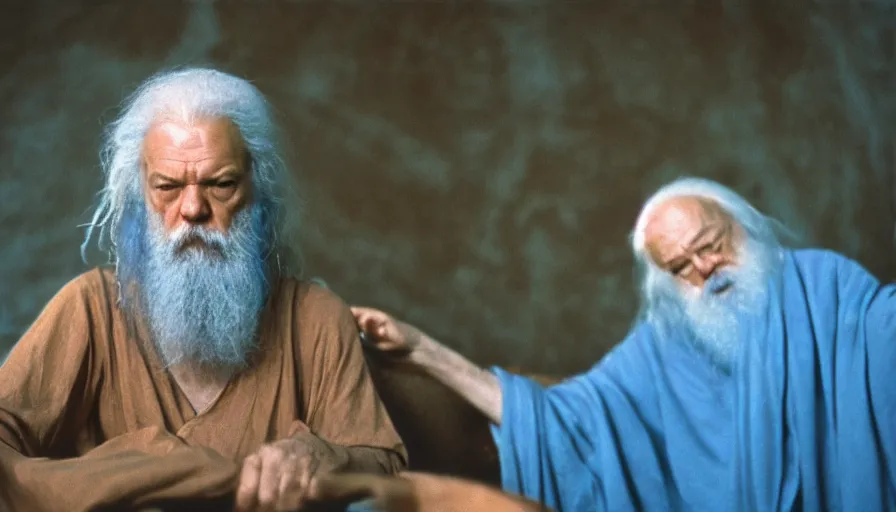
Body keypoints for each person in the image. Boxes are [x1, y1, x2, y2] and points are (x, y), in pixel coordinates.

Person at [352, 177, 896, 511]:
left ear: (745, 229)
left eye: (713, 246)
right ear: (665, 282)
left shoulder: (824, 284)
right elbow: (563, 423)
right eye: (681, 267)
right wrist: (423, 350)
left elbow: (884, 330)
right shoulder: (663, 345)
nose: (707, 270)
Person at [0, 68, 407, 512]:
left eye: (221, 184)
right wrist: (135, 470)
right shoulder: (90, 307)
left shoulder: (314, 317)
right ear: (141, 194)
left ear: (258, 187)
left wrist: (327, 456)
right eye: (168, 188)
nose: (192, 209)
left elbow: (382, 466)